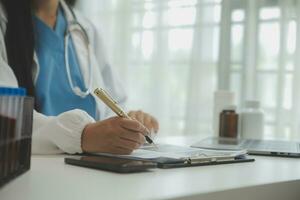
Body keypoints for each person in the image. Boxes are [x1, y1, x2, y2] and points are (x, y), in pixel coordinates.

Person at [0, 0, 159, 155]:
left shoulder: (85, 27)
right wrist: (82, 135)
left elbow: (114, 100)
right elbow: (5, 117)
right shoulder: (5, 21)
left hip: (95, 162)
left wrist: (128, 123)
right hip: (39, 164)